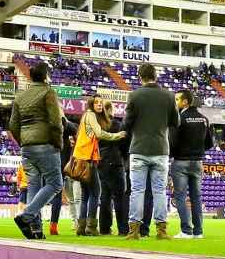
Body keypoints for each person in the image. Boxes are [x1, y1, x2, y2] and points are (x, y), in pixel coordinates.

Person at [8, 60, 64, 239]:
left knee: (34, 185)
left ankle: (36, 230)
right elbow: (56, 122)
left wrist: (23, 141)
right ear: (46, 76)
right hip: (45, 145)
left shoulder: (20, 97)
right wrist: (58, 143)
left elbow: (12, 125)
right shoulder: (48, 92)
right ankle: (26, 216)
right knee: (55, 184)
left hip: (27, 148)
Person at [123, 64, 179, 240]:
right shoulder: (169, 96)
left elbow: (126, 124)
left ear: (140, 77)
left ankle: (134, 231)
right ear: (156, 76)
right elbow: (175, 122)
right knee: (159, 191)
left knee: (137, 191)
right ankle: (161, 230)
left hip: (139, 148)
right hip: (161, 149)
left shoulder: (134, 95)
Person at [72, 96, 126, 235]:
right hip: (90, 159)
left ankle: (81, 227)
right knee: (96, 193)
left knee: (86, 195)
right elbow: (99, 133)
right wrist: (117, 135)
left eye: (101, 103)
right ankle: (91, 227)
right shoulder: (91, 116)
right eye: (96, 102)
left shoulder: (85, 116)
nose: (99, 105)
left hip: (83, 157)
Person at [169, 90, 212, 239]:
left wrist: (176, 154)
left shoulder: (179, 118)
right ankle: (198, 231)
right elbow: (209, 143)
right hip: (198, 162)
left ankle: (186, 231)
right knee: (196, 197)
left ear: (185, 102)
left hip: (181, 161)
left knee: (180, 196)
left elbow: (172, 142)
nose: (175, 103)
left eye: (177, 100)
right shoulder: (204, 119)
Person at [97, 107, 130, 236]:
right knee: (119, 197)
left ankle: (104, 228)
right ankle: (122, 228)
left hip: (101, 162)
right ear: (111, 111)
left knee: (104, 197)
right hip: (115, 162)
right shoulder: (118, 125)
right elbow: (125, 145)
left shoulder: (98, 125)